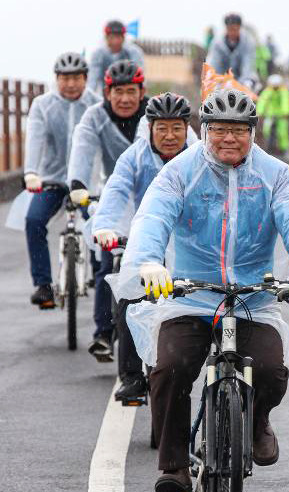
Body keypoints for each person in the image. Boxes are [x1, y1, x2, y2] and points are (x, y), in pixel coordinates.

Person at [116, 88, 289, 491]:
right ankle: (174, 467)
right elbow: (153, 215)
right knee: (170, 368)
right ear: (204, 130)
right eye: (218, 130)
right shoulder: (180, 172)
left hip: (253, 296)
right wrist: (149, 261)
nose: (229, 139)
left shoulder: (275, 175)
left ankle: (257, 423)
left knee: (271, 371)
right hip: (190, 295)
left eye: (239, 130)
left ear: (253, 132)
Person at [92, 92, 193, 401]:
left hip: (191, 247)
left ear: (187, 128)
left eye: (177, 127)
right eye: (161, 127)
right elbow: (116, 190)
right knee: (129, 302)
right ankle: (133, 377)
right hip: (145, 243)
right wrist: (106, 227)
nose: (169, 135)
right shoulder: (134, 156)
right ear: (149, 127)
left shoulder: (201, 157)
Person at [67, 59, 148, 362]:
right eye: (118, 92)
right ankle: (103, 332)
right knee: (105, 262)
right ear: (106, 93)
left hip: (149, 197)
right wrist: (76, 182)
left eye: (131, 91)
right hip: (110, 196)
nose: (125, 99)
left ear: (142, 92)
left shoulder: (155, 114)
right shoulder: (94, 116)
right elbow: (82, 149)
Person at [23, 52, 100, 308]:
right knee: (33, 220)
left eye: (76, 77)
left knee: (102, 227)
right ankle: (44, 285)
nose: (70, 83)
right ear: (56, 79)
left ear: (85, 79)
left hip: (85, 182)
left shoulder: (96, 104)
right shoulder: (43, 104)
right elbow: (34, 138)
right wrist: (31, 172)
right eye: (65, 78)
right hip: (52, 180)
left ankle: (102, 280)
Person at [88, 20, 144, 93]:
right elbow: (92, 80)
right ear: (106, 37)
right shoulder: (98, 54)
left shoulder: (134, 52)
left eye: (118, 37)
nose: (115, 41)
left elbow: (140, 78)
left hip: (129, 94)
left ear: (124, 37)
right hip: (104, 95)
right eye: (112, 37)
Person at [206, 13, 258, 88]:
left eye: (235, 29)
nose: (232, 32)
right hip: (222, 80)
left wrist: (242, 84)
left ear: (240, 28)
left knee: (250, 87)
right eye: (229, 29)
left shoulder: (248, 42)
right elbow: (214, 64)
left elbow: (248, 65)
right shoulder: (217, 43)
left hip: (243, 80)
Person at [257, 74, 289, 156]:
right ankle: (268, 146)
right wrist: (260, 111)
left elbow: (285, 102)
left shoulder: (284, 91)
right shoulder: (268, 91)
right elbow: (263, 101)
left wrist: (285, 112)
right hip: (270, 114)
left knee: (282, 131)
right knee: (266, 130)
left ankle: (283, 148)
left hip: (281, 116)